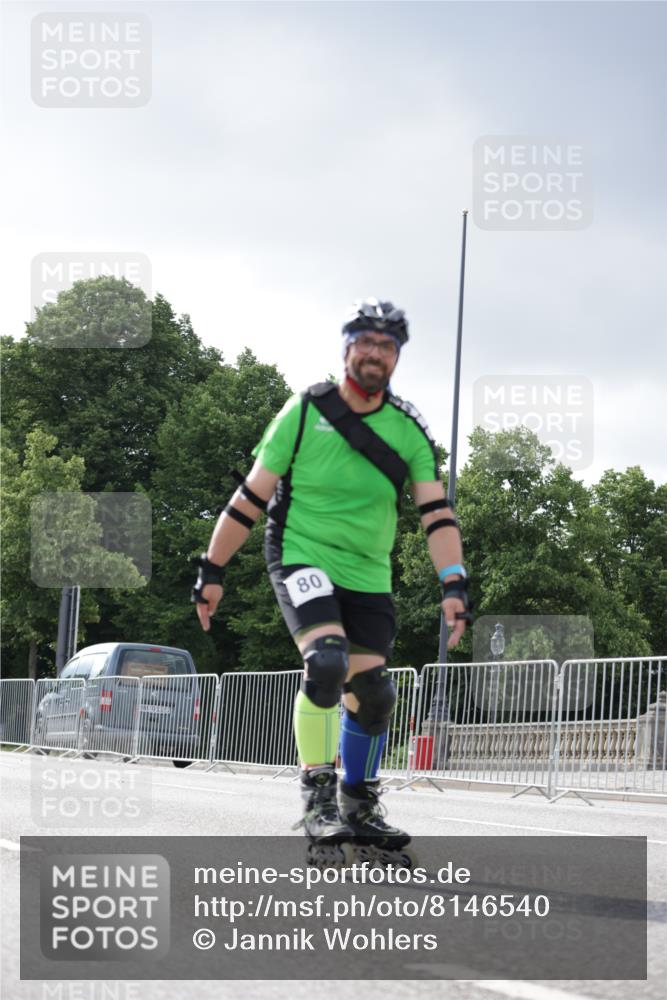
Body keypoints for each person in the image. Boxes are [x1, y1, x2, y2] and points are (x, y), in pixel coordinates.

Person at [192, 298, 470, 864]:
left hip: (368, 572)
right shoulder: (302, 412)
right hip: (300, 555)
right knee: (326, 662)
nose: (375, 352)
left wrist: (454, 584)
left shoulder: (408, 431)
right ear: (346, 348)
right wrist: (212, 569)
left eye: (387, 345)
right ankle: (316, 794)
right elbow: (250, 497)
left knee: (374, 694)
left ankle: (359, 802)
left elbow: (437, 515)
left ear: (397, 358)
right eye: (365, 341)